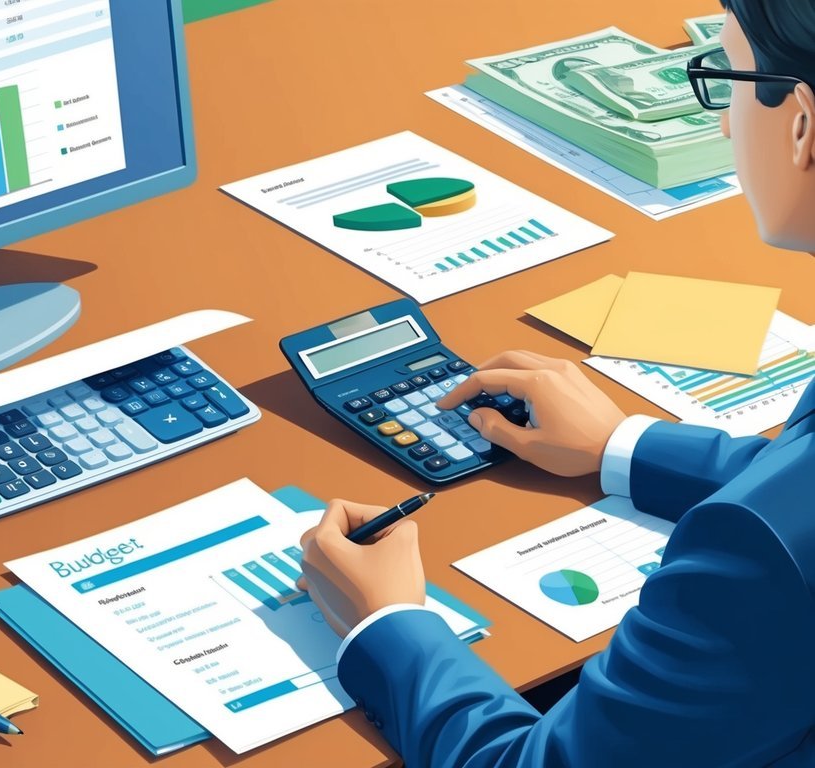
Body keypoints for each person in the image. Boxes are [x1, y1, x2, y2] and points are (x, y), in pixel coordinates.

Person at [298, 4, 815, 766]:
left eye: (722, 80)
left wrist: (388, 624)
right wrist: (620, 446)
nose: (725, 129)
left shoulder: (758, 552)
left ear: (801, 124)